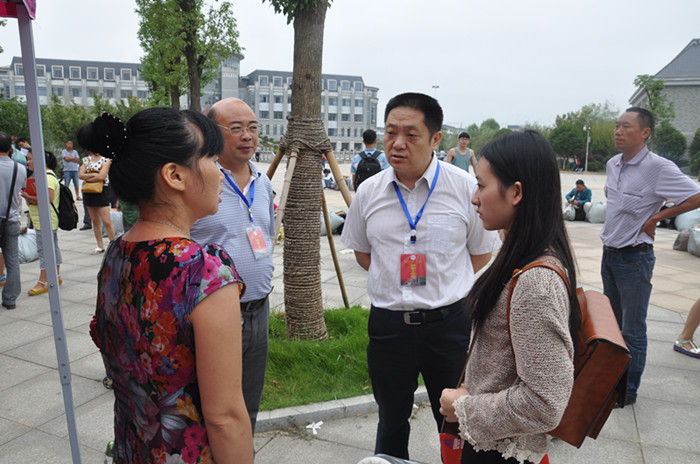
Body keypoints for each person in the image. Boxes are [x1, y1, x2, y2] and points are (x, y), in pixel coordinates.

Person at [89, 109, 254, 463]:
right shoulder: (203, 270)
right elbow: (225, 417)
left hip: (132, 451)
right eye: (212, 159)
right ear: (175, 175)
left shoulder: (116, 254)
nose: (221, 173)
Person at [341, 92, 500, 460]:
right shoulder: (369, 191)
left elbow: (480, 253)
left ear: (435, 139)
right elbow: (363, 253)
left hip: (448, 326)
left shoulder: (464, 188)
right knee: (391, 419)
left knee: (457, 421)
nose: (398, 143)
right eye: (391, 132)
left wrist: (442, 283)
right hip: (389, 327)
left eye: (411, 134)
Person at [439, 130, 580, 464]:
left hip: (501, 453)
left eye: (481, 185)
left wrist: (464, 407)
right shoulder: (520, 254)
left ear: (516, 192)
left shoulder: (536, 283)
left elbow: (544, 403)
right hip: (493, 443)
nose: (474, 198)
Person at [601, 107, 700, 405]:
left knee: (633, 328)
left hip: (634, 258)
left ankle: (628, 391)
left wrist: (657, 217)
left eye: (626, 126)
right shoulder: (613, 164)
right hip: (609, 254)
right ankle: (609, 383)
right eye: (617, 125)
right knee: (611, 324)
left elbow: (695, 195)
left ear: (645, 132)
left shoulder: (658, 167)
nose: (618, 131)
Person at [191, 97, 276, 433]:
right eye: (236, 128)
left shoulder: (263, 181)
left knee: (249, 401)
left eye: (253, 128)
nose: (247, 136)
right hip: (215, 312)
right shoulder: (199, 179)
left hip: (259, 307)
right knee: (213, 407)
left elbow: (267, 233)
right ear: (212, 132)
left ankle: (244, 451)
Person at [21, 150, 62, 296]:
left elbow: (48, 199)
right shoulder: (44, 176)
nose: (28, 162)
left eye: (30, 159)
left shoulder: (47, 177)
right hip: (45, 219)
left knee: (44, 250)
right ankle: (56, 275)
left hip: (45, 220)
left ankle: (43, 281)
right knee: (52, 248)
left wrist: (29, 196)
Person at [77, 125, 116, 254]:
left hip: (102, 191)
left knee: (106, 220)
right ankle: (100, 245)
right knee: (95, 220)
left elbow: (102, 176)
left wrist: (89, 176)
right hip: (89, 192)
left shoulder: (107, 159)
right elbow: (80, 174)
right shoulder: (86, 160)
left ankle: (113, 244)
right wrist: (95, 175)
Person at [0, 132, 27, 309]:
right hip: (11, 219)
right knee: (12, 260)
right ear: (10, 148)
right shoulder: (20, 168)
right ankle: (10, 299)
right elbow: (21, 189)